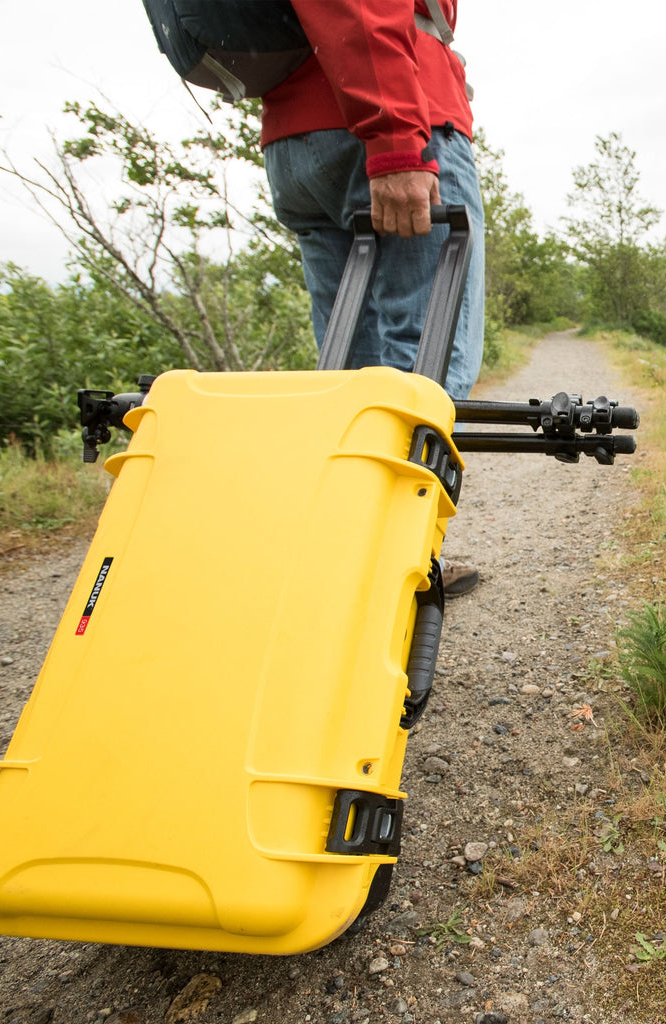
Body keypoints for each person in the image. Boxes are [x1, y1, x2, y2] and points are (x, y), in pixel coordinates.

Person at [260, 0, 483, 596]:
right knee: (424, 372)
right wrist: (395, 139)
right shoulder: (393, 127)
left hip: (297, 141)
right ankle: (392, 576)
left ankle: (343, 570)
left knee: (349, 379)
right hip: (388, 120)